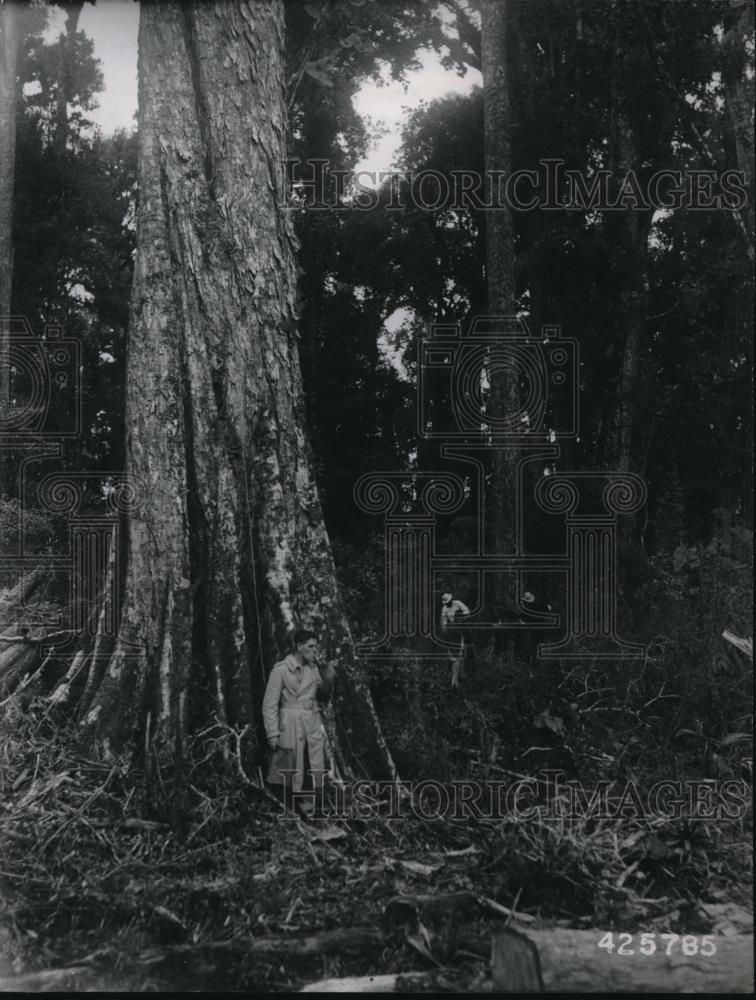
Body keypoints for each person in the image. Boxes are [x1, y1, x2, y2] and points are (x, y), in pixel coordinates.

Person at [262, 628, 336, 819]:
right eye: (310, 646)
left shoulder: (313, 669)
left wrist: (328, 679)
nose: (315, 650)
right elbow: (269, 704)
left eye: (316, 646)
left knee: (312, 768)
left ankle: (310, 813)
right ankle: (288, 813)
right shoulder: (280, 670)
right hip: (290, 724)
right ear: (298, 646)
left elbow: (322, 697)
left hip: (311, 723)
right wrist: (272, 733)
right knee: (289, 769)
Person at [440, 592, 470, 689]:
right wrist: (445, 628)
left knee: (463, 650)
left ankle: (461, 674)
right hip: (453, 630)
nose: (448, 604)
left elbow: (467, 611)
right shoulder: (445, 609)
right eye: (446, 602)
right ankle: (455, 678)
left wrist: (461, 617)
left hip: (462, 626)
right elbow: (443, 621)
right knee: (456, 652)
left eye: (448, 602)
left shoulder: (457, 603)